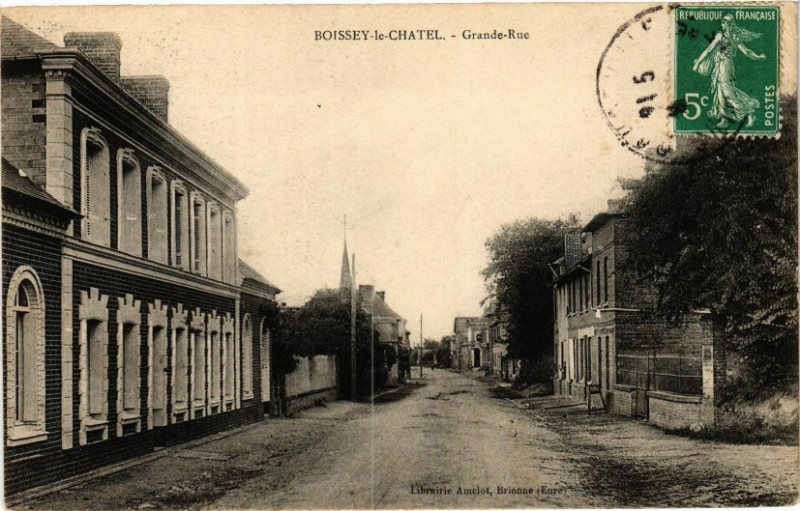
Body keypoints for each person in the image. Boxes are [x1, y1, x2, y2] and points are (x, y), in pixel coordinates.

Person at [692, 14, 767, 128]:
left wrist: (697, 63)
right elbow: (746, 51)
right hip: (722, 65)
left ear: (729, 24)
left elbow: (709, 50)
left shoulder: (722, 36)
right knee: (720, 92)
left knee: (728, 92)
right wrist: (757, 56)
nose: (722, 25)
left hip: (725, 65)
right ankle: (724, 119)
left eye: (724, 23)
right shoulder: (734, 37)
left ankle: (749, 113)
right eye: (722, 23)